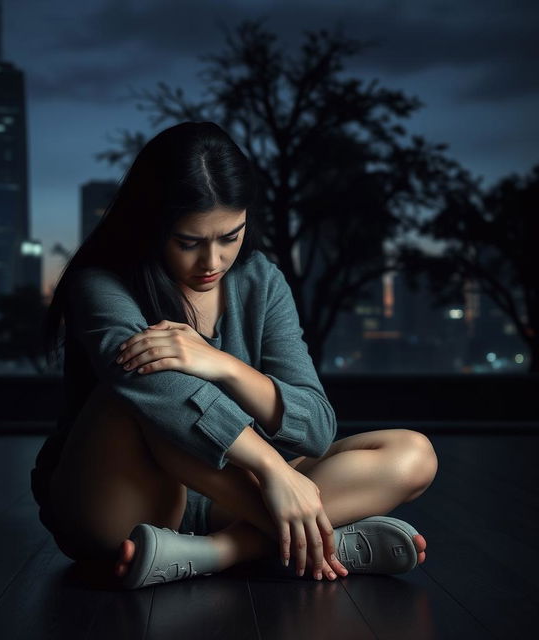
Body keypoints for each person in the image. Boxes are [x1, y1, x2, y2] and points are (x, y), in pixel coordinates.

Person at [30, 121, 437, 590]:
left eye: (230, 236)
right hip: (124, 504)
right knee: (137, 387)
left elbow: (316, 429)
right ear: (151, 225)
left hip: (234, 495)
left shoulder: (261, 281)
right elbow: (155, 393)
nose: (212, 262)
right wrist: (269, 468)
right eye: (189, 242)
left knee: (413, 455)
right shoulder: (102, 282)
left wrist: (220, 362)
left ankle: (221, 552)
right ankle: (314, 538)